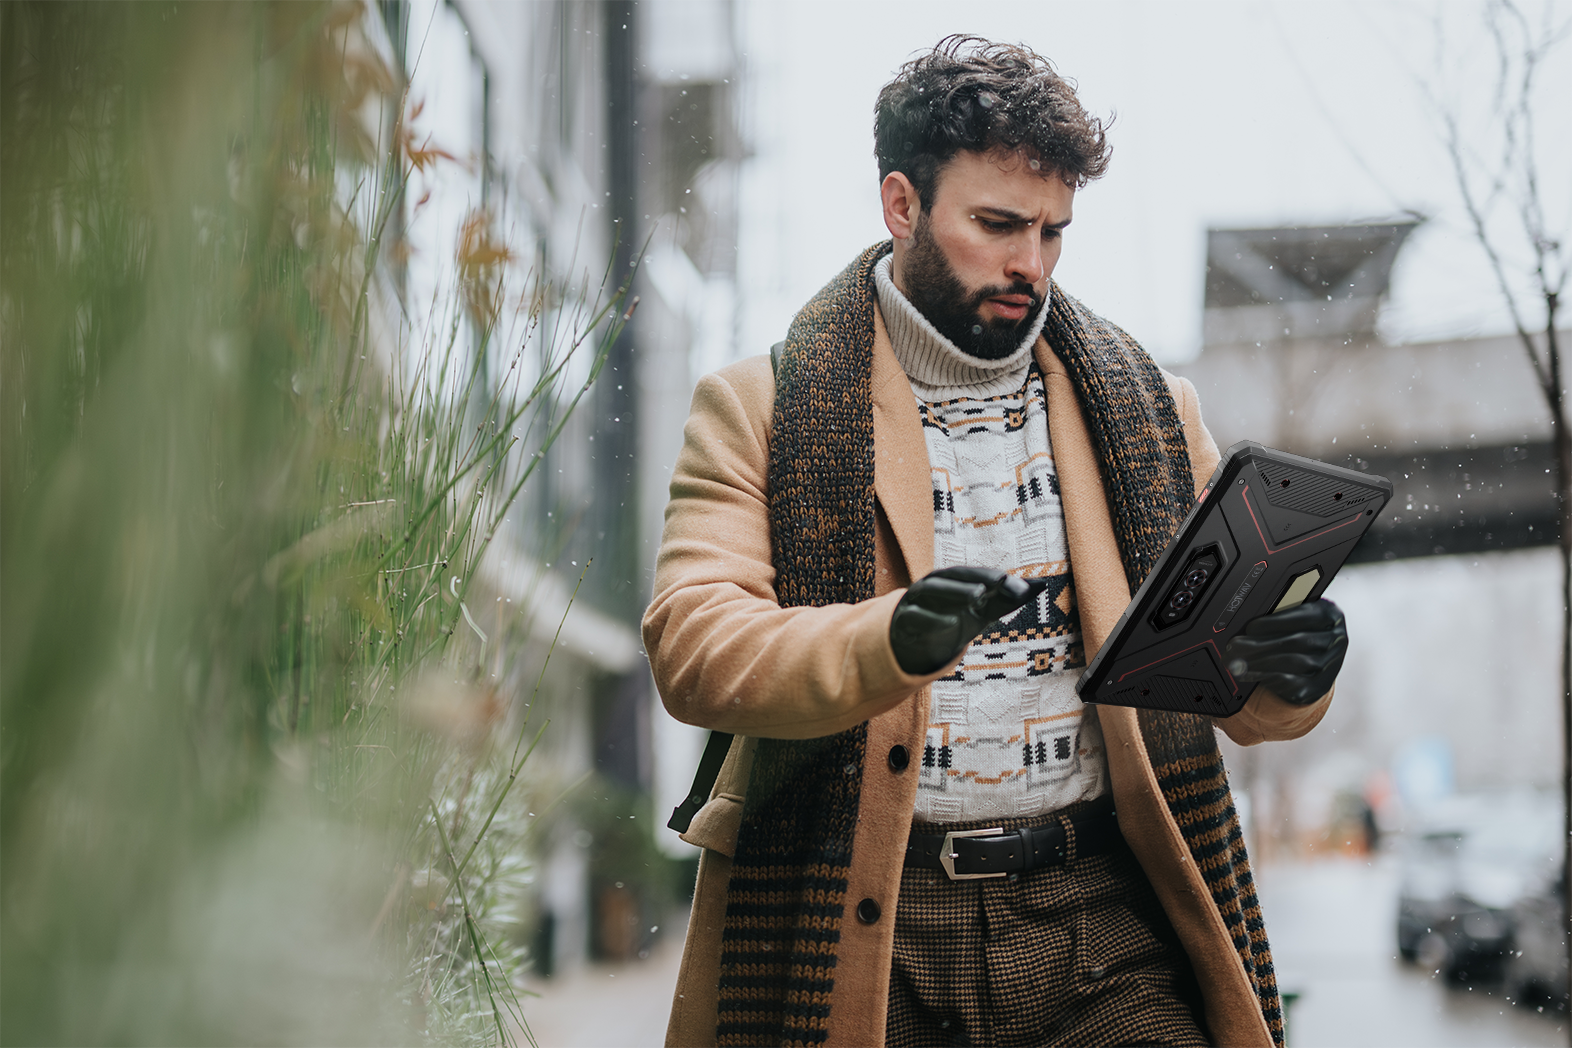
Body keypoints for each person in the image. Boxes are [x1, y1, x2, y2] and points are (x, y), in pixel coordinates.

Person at [643, 35, 1347, 1048]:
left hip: (1104, 916)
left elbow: (1225, 684)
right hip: (875, 924)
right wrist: (883, 642)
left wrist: (1290, 675)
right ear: (900, 205)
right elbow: (693, 645)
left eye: (1054, 232)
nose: (1032, 265)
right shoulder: (757, 409)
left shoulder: (1152, 410)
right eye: (998, 224)